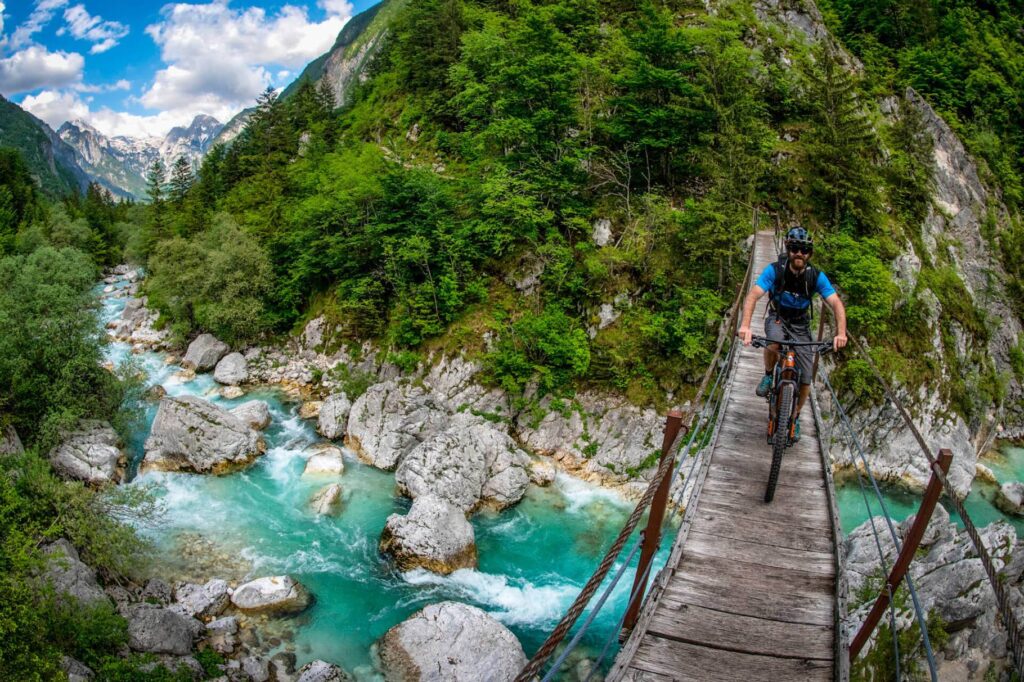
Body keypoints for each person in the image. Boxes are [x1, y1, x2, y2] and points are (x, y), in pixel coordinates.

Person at [737, 227, 848, 442]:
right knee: (773, 343)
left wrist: (841, 333)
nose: (800, 253)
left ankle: (794, 418)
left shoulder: (815, 276)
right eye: (795, 248)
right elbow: (752, 296)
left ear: (809, 254)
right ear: (788, 249)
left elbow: (835, 303)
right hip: (778, 317)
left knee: (806, 377)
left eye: (804, 250)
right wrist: (746, 326)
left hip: (801, 325)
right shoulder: (775, 270)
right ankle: (769, 375)